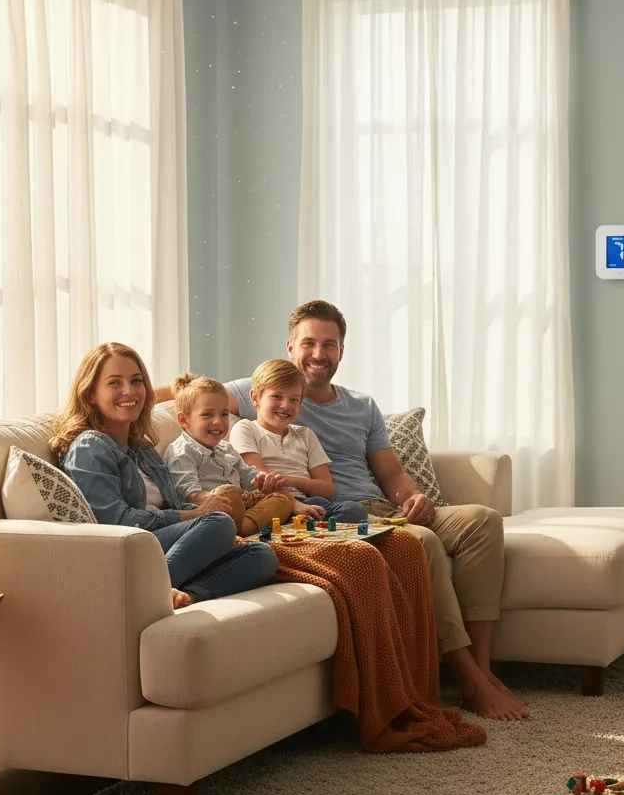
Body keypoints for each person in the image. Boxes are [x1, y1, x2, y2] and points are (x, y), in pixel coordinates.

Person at [225, 301, 528, 722]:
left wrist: (414, 496)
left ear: (341, 351)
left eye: (328, 344)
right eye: (308, 343)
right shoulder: (265, 388)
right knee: (419, 542)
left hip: (384, 506)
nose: (318, 353)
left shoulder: (361, 405)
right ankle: (468, 678)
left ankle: (483, 667)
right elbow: (193, 392)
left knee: (482, 519)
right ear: (290, 347)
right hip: (340, 515)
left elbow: (391, 472)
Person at [49, 342, 277, 610]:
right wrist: (196, 516)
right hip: (129, 548)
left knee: (261, 554)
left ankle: (186, 596)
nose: (129, 391)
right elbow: (113, 521)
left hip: (166, 545)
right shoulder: (90, 446)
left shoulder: (143, 449)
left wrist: (199, 514)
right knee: (219, 523)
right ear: (89, 394)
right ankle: (145, 593)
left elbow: (174, 507)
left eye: (136, 381)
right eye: (114, 383)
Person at [228, 359, 369, 524]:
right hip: (269, 502)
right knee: (272, 513)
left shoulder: (305, 434)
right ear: (255, 398)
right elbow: (258, 481)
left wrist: (288, 480)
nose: (285, 406)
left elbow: (326, 488)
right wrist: (293, 504)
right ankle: (307, 529)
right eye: (276, 396)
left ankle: (308, 528)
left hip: (309, 504)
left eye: (294, 399)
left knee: (354, 510)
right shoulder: (245, 429)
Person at [163, 372, 299, 536]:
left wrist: (262, 480)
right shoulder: (182, 450)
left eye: (224, 414)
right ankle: (237, 529)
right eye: (207, 414)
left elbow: (248, 476)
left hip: (241, 504)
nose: (218, 421)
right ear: (184, 420)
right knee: (227, 492)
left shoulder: (227, 448)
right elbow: (188, 494)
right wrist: (222, 498)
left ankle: (243, 528)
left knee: (283, 497)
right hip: (208, 510)